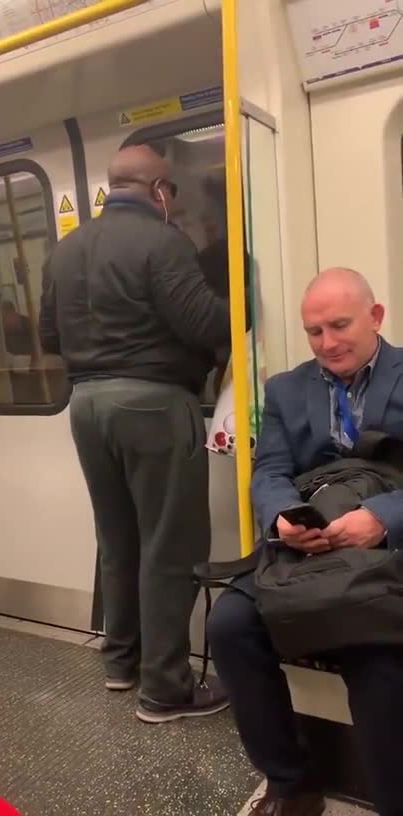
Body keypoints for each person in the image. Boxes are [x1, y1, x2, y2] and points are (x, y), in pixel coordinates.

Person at [39, 144, 231, 723]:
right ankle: (166, 688)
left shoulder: (65, 250)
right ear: (160, 192)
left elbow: (50, 338)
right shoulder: (163, 242)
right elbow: (202, 321)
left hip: (86, 406)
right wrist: (242, 301)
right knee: (170, 543)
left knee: (117, 539)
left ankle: (121, 662)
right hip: (151, 403)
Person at [207, 268, 403, 816]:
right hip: (309, 545)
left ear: (376, 317)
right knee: (228, 626)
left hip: (384, 549)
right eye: (314, 331)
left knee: (376, 649)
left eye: (339, 326)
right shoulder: (287, 390)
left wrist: (382, 518)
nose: (327, 343)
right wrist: (283, 518)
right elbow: (268, 471)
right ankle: (292, 781)